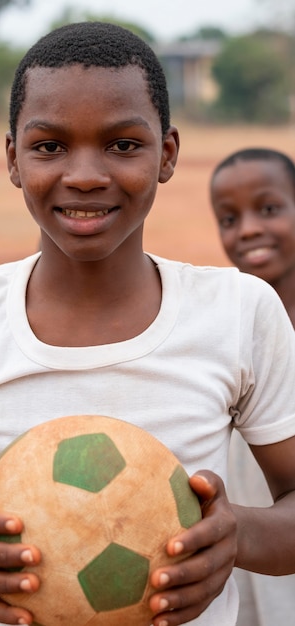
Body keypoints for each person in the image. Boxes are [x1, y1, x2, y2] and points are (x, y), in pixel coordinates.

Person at [0, 22, 295, 626]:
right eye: (50, 147)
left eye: (123, 144)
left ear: (167, 154)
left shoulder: (239, 311)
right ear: (13, 158)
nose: (86, 174)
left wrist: (240, 536)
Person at [209, 147, 295, 626]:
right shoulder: (221, 332)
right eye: (228, 218)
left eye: (269, 209)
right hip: (244, 560)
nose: (247, 230)